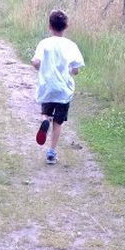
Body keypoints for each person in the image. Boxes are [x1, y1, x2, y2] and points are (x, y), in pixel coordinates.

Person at [31, 9, 85, 164]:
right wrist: (71, 71)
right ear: (66, 26)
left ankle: (45, 120)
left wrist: (39, 67)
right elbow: (76, 70)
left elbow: (36, 62)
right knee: (58, 122)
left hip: (48, 87)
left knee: (46, 113)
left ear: (49, 26)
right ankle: (51, 152)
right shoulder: (71, 45)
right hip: (63, 90)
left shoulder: (44, 43)